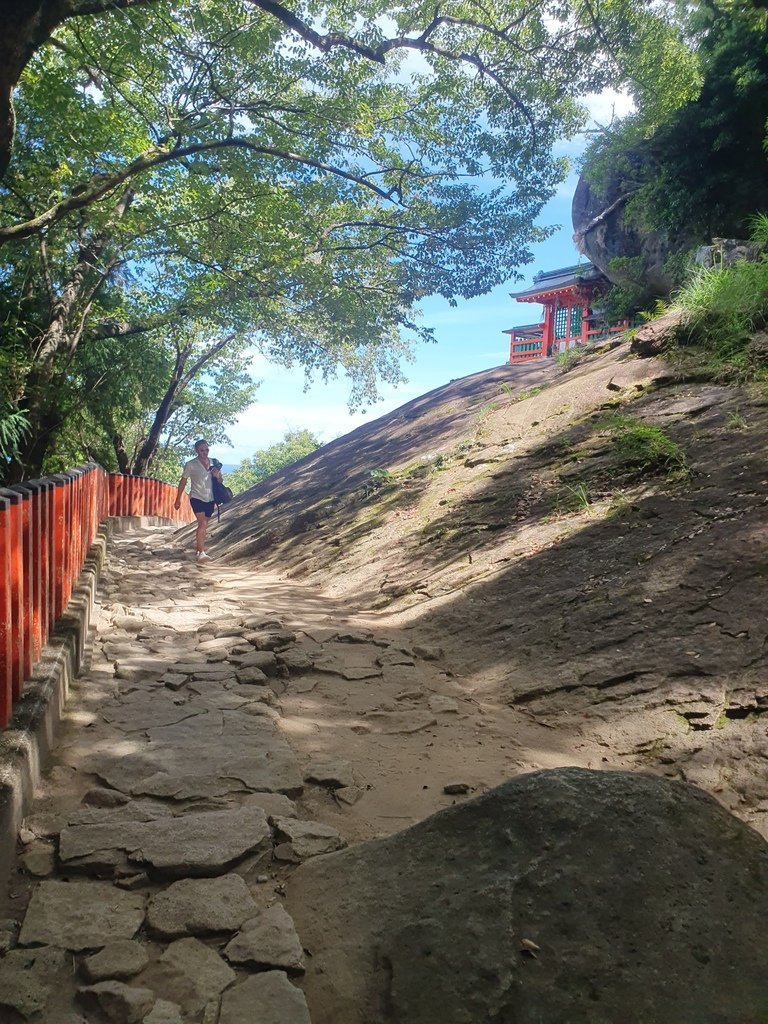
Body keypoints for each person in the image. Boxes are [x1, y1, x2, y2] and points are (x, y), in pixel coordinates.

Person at [174, 438, 223, 562]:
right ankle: (201, 553)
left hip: (210, 498)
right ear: (196, 450)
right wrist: (178, 499)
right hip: (196, 497)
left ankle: (198, 549)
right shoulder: (190, 465)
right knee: (202, 524)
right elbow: (183, 481)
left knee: (203, 525)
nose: (204, 452)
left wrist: (217, 476)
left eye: (206, 450)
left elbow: (220, 481)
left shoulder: (214, 463)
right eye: (201, 450)